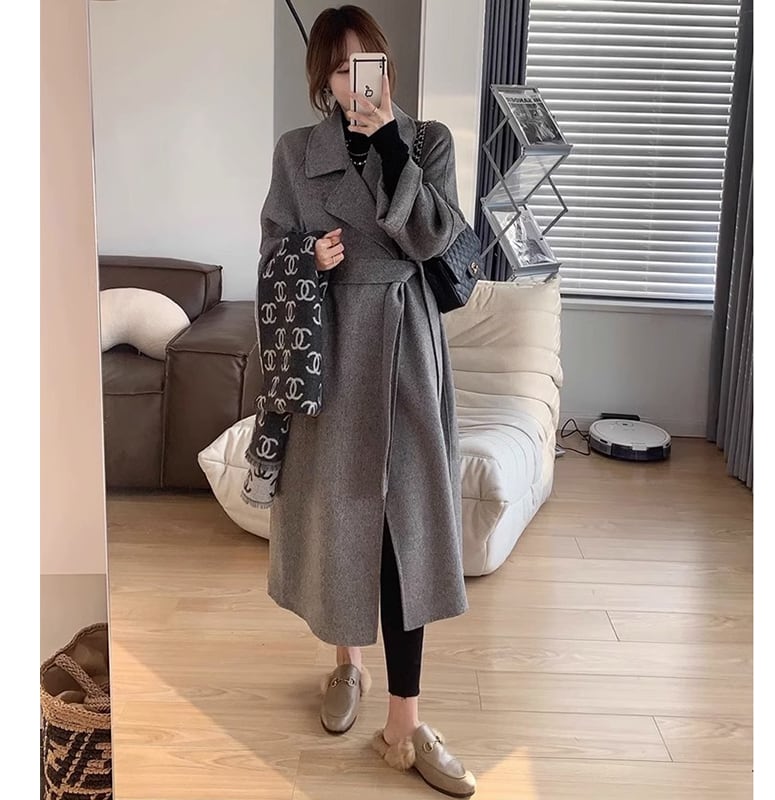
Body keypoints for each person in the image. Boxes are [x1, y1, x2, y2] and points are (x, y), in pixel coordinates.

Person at [256, 5, 476, 796]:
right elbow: (271, 250)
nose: (360, 79)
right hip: (332, 349)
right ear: (323, 78)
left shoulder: (428, 142)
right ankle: (346, 663)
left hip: (406, 345)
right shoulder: (296, 153)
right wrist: (305, 257)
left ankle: (405, 723)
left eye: (370, 62)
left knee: (404, 522)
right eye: (344, 67)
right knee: (339, 513)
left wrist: (389, 146)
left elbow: (438, 238)